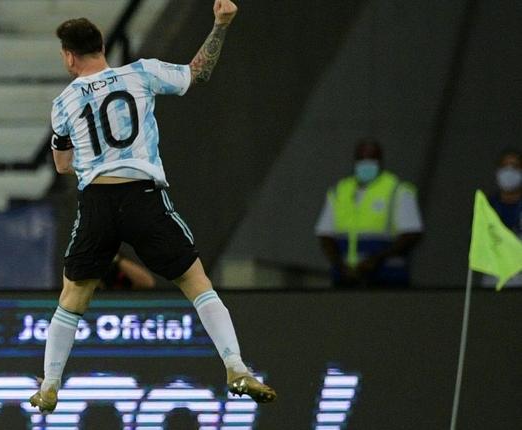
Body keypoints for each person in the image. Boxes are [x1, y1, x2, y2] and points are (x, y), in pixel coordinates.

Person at [30, 0, 276, 414]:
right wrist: (219, 26)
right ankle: (235, 366)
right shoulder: (140, 72)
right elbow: (198, 72)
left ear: (69, 56)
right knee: (195, 282)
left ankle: (50, 384)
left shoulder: (63, 103)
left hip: (98, 202)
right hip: (143, 194)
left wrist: (94, 157)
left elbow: (62, 164)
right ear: (102, 46)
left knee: (73, 295)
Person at [315, 138, 424, 287]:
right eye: (362, 158)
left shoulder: (397, 190)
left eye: (371, 158)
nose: (366, 164)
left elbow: (411, 234)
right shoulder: (340, 190)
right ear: (355, 160)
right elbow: (325, 235)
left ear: (380, 160)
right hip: (346, 278)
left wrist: (375, 260)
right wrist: (341, 265)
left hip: (387, 278)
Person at [482, 149, 522, 287]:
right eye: (504, 166)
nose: (509, 171)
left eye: (514, 166)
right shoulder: (488, 206)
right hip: (494, 275)